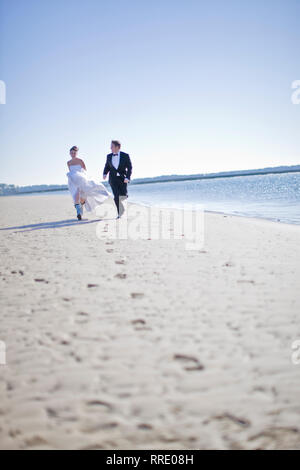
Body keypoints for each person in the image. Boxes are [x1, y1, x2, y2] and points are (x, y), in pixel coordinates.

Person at [67, 146, 111, 220]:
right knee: (75, 195)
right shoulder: (68, 162)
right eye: (71, 153)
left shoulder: (80, 161)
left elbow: (85, 171)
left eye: (74, 153)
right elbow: (71, 172)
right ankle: (78, 212)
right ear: (70, 153)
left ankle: (80, 208)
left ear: (76, 153)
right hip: (73, 181)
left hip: (82, 179)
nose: (73, 154)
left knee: (83, 197)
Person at [103, 140, 132, 218]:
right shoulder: (109, 156)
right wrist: (105, 173)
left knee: (123, 195)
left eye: (112, 146)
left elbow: (129, 168)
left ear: (117, 147)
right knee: (116, 196)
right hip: (113, 179)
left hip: (123, 179)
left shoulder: (125, 155)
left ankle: (124, 198)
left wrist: (127, 177)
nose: (110, 148)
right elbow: (107, 166)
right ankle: (120, 213)